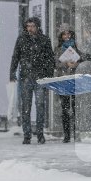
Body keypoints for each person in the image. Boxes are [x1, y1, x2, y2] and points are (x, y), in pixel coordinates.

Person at [10, 16, 54, 145]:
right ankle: (27, 135)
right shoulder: (22, 39)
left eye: (33, 26)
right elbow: (15, 56)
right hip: (26, 77)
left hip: (40, 77)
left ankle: (40, 134)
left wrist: (49, 74)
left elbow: (50, 58)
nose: (30, 28)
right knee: (26, 107)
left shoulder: (44, 39)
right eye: (28, 26)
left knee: (40, 106)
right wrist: (12, 73)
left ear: (37, 26)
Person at [54, 26, 81, 143]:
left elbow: (82, 60)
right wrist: (66, 64)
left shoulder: (77, 47)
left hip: (75, 80)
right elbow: (55, 63)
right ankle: (66, 134)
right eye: (64, 34)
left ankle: (76, 132)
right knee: (65, 108)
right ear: (61, 36)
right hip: (63, 80)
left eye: (68, 34)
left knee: (76, 107)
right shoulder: (58, 48)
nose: (67, 36)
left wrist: (76, 64)